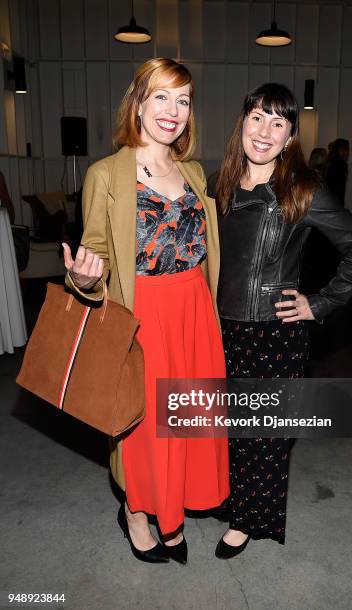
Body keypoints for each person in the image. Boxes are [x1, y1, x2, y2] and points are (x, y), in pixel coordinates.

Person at [62, 58, 229, 565]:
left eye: (183, 100)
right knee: (146, 428)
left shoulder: (195, 172)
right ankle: (138, 513)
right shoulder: (105, 174)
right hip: (145, 317)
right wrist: (84, 279)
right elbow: (93, 256)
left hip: (197, 310)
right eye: (161, 96)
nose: (172, 111)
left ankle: (174, 507)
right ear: (137, 102)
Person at [211, 83, 352, 559]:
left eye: (278, 123)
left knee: (263, 432)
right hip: (220, 325)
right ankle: (235, 498)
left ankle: (248, 521)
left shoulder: (302, 190)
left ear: (289, 139)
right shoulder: (217, 181)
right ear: (242, 122)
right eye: (257, 118)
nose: (264, 131)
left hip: (272, 331)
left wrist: (318, 304)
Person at [325, 138, 350, 205]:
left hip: (327, 200)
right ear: (342, 150)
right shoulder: (341, 165)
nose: (348, 153)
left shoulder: (328, 162)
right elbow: (339, 189)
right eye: (347, 149)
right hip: (335, 203)